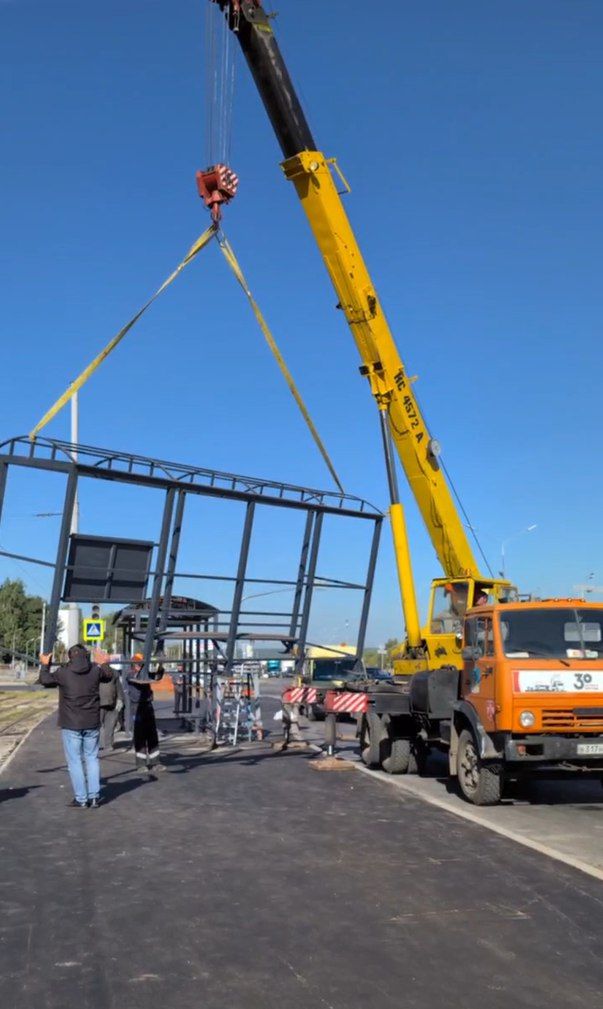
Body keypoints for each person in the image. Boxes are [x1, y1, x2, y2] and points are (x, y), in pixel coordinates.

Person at [39, 643, 113, 808]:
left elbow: (44, 679)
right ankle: (94, 797)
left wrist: (45, 664)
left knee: (75, 762)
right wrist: (103, 661)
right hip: (92, 722)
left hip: (71, 723)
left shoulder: (63, 673)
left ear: (69, 657)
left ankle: (81, 798)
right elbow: (109, 675)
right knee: (92, 758)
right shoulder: (95, 670)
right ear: (86, 656)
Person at [126, 653, 164, 773]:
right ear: (134, 664)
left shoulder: (144, 673)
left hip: (147, 705)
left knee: (152, 734)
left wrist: (161, 665)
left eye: (141, 664)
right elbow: (139, 680)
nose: (140, 666)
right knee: (140, 736)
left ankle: (155, 762)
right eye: (138, 664)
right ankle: (141, 764)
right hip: (136, 707)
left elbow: (157, 677)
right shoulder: (129, 674)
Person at [99, 662, 124, 752]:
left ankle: (107, 745)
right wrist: (120, 699)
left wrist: (120, 699)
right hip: (105, 703)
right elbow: (119, 688)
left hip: (107, 703)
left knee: (108, 726)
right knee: (105, 726)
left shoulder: (114, 673)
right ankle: (106, 745)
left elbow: (118, 687)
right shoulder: (97, 672)